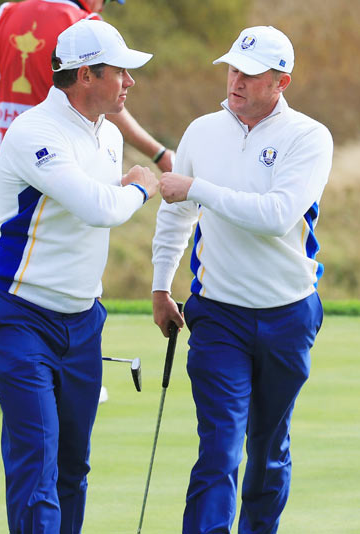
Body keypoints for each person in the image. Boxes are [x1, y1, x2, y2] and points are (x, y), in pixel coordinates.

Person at [0, 19, 158, 534]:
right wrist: (140, 187)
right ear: (84, 76)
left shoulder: (111, 135)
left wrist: (124, 188)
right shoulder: (34, 132)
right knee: (38, 463)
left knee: (73, 468)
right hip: (18, 314)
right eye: (120, 72)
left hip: (82, 322)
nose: (130, 82)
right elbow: (100, 208)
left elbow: (95, 199)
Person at [151, 26, 333, 534]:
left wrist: (197, 187)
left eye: (251, 74)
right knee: (219, 448)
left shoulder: (309, 137)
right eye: (233, 68)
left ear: (282, 81)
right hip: (218, 314)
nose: (237, 81)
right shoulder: (202, 131)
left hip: (288, 313)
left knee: (268, 452)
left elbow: (276, 215)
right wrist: (161, 285)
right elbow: (176, 215)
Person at [0, 0, 174, 235]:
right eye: (105, 0)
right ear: (85, 74)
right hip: (50, 145)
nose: (102, 7)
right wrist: (158, 154)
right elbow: (98, 103)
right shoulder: (87, 28)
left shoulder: (7, 13)